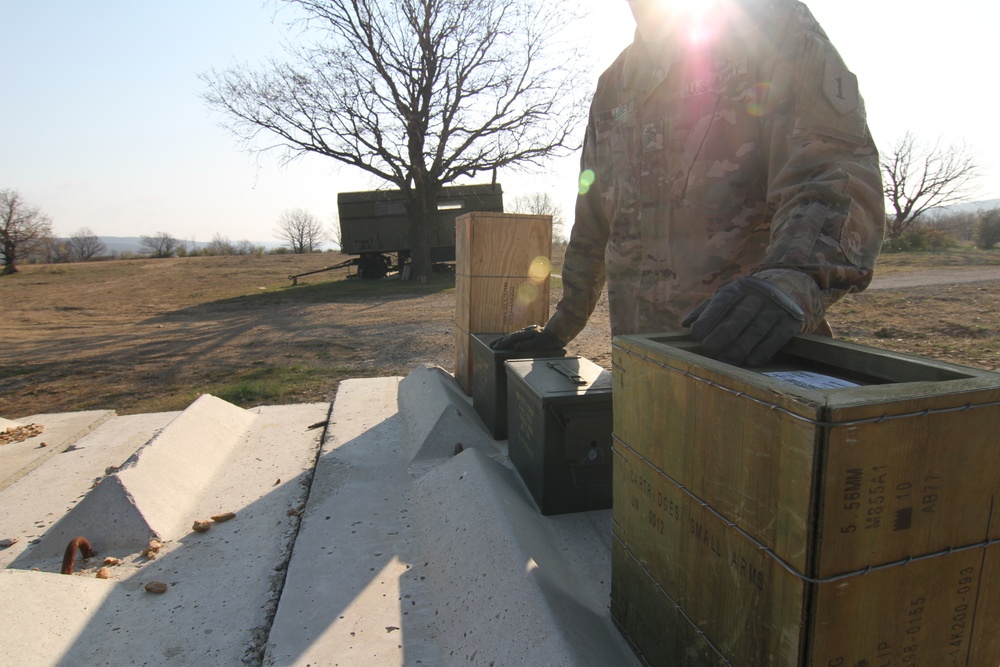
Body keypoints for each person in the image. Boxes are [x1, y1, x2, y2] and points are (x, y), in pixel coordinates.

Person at [493, 0, 884, 366]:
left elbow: (832, 171)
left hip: (754, 364)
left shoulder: (767, 28)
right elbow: (593, 224)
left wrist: (792, 281)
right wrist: (560, 328)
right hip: (643, 367)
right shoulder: (613, 86)